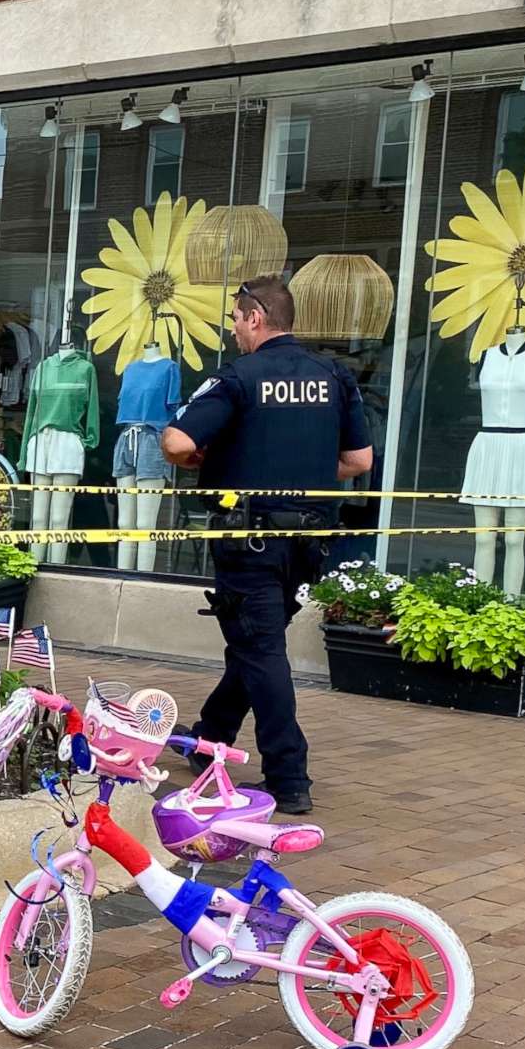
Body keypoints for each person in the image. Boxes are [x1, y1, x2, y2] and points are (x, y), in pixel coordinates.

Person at [161, 275, 374, 817]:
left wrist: (211, 462)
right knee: (258, 643)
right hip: (308, 542)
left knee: (261, 650)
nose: (232, 329)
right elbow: (358, 462)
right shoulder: (334, 375)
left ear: (256, 317)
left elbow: (177, 441)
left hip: (250, 539)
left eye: (235, 318)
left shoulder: (239, 376)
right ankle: (210, 733)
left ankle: (289, 773)